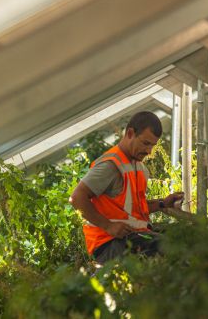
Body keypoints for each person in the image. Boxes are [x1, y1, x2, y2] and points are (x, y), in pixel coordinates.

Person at [70, 111, 183, 264]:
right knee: (169, 246)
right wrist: (108, 226)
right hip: (110, 244)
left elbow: (134, 210)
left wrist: (162, 203)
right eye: (145, 143)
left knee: (184, 234)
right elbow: (76, 197)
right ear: (130, 133)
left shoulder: (139, 168)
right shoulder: (110, 165)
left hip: (134, 236)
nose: (149, 151)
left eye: (153, 145)